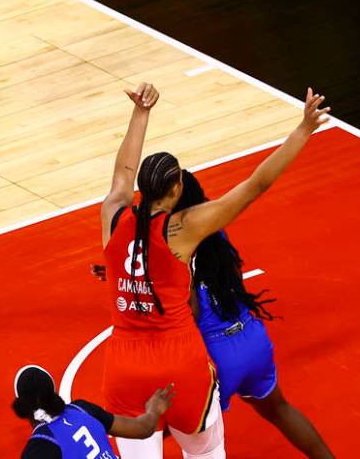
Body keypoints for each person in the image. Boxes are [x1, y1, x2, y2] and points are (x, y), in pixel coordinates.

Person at [99, 83, 329, 459]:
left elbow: (122, 173)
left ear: (142, 187)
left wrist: (140, 114)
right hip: (181, 363)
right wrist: (302, 130)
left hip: (125, 364)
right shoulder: (183, 228)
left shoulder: (114, 213)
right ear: (177, 189)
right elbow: (256, 185)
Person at [174, 170, 335, 459]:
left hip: (216, 354)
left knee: (163, 425)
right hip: (252, 337)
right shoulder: (218, 234)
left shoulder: (178, 248)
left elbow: (192, 314)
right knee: (279, 410)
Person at [13, 365, 174, 459]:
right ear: (54, 391)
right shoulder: (82, 409)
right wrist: (154, 408)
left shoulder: (40, 445)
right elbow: (144, 428)